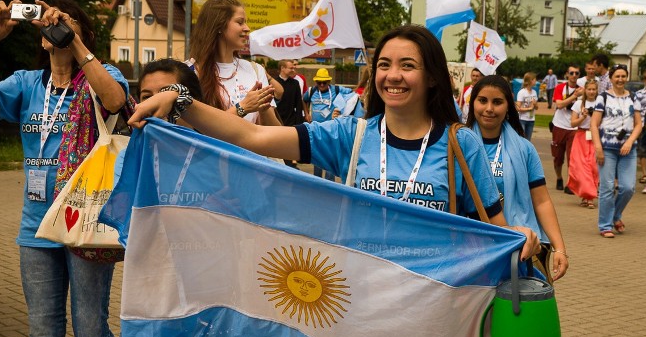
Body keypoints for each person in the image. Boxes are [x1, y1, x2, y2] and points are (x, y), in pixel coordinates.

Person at [128, 24, 541, 262]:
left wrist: (524, 237)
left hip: (435, 303)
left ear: (432, 76)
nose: (392, 75)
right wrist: (180, 101)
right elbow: (251, 136)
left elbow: (495, 231)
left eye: (407, 66)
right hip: (360, 297)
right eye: (384, 65)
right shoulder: (351, 134)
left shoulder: (460, 143)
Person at [0, 0, 129, 337]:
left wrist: (74, 42)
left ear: (83, 34)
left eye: (66, 19)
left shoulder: (100, 74)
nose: (55, 24)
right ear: (40, 38)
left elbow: (113, 101)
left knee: (92, 334)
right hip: (34, 229)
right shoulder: (27, 84)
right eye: (51, 21)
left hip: (86, 221)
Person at [100, 59, 229, 337]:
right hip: (148, 306)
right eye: (145, 97)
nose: (155, 105)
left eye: (166, 95)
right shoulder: (135, 155)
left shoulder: (221, 155)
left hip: (208, 314)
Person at [467, 75, 568, 281]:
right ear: (473, 103)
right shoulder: (458, 146)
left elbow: (541, 201)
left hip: (518, 247)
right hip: (469, 249)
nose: (489, 108)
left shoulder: (525, 149)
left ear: (508, 107)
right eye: (483, 100)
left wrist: (560, 248)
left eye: (497, 102)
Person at [187, 0, 281, 126]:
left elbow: (274, 133)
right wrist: (242, 107)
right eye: (240, 22)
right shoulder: (189, 72)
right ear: (219, 26)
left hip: (249, 147)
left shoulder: (255, 70)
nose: (247, 28)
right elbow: (192, 128)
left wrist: (263, 109)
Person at [590, 64, 642, 238]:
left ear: (627, 78)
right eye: (617, 76)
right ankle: (605, 225)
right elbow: (594, 124)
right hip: (606, 149)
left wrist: (630, 141)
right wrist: (598, 147)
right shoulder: (603, 97)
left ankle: (615, 215)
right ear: (611, 78)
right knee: (607, 187)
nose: (620, 79)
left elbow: (638, 124)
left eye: (623, 76)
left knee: (628, 187)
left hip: (628, 149)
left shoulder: (634, 98)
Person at [302, 67, 352, 181]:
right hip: (316, 130)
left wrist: (342, 109)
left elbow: (352, 93)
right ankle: (318, 182)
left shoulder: (336, 90)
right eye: (319, 82)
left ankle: (330, 184)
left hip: (332, 131)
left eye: (324, 82)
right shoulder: (311, 91)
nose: (322, 84)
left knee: (330, 158)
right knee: (317, 158)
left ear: (329, 82)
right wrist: (306, 113)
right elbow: (304, 100)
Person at [550, 65, 583, 192]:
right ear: (567, 75)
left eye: (577, 73)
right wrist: (574, 96)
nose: (574, 75)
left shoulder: (582, 90)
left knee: (572, 158)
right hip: (559, 126)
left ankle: (571, 183)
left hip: (574, 128)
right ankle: (559, 178)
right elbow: (559, 104)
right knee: (558, 158)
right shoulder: (560, 88)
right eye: (572, 73)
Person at [568, 79, 600, 209]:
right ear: (585, 90)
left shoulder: (600, 103)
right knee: (581, 168)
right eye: (589, 89)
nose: (591, 92)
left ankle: (588, 195)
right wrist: (583, 116)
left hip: (595, 136)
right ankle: (588, 197)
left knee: (593, 166)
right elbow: (572, 123)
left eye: (594, 89)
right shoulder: (579, 104)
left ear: (597, 90)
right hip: (581, 137)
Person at [515, 72, 539, 141]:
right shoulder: (522, 92)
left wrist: (535, 104)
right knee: (521, 139)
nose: (536, 81)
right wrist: (529, 108)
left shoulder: (534, 92)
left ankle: (526, 152)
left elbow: (536, 107)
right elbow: (518, 108)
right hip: (522, 119)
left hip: (531, 119)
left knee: (528, 141)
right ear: (530, 80)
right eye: (534, 79)